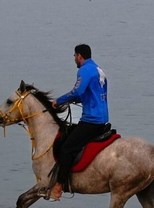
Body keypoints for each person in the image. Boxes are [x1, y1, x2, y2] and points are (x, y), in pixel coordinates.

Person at [47, 44, 109, 200]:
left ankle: (59, 185)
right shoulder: (97, 69)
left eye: (75, 56)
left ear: (79, 56)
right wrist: (71, 101)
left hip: (91, 120)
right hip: (102, 118)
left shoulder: (84, 70)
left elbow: (78, 90)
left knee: (67, 148)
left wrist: (59, 101)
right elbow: (88, 94)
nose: (74, 59)